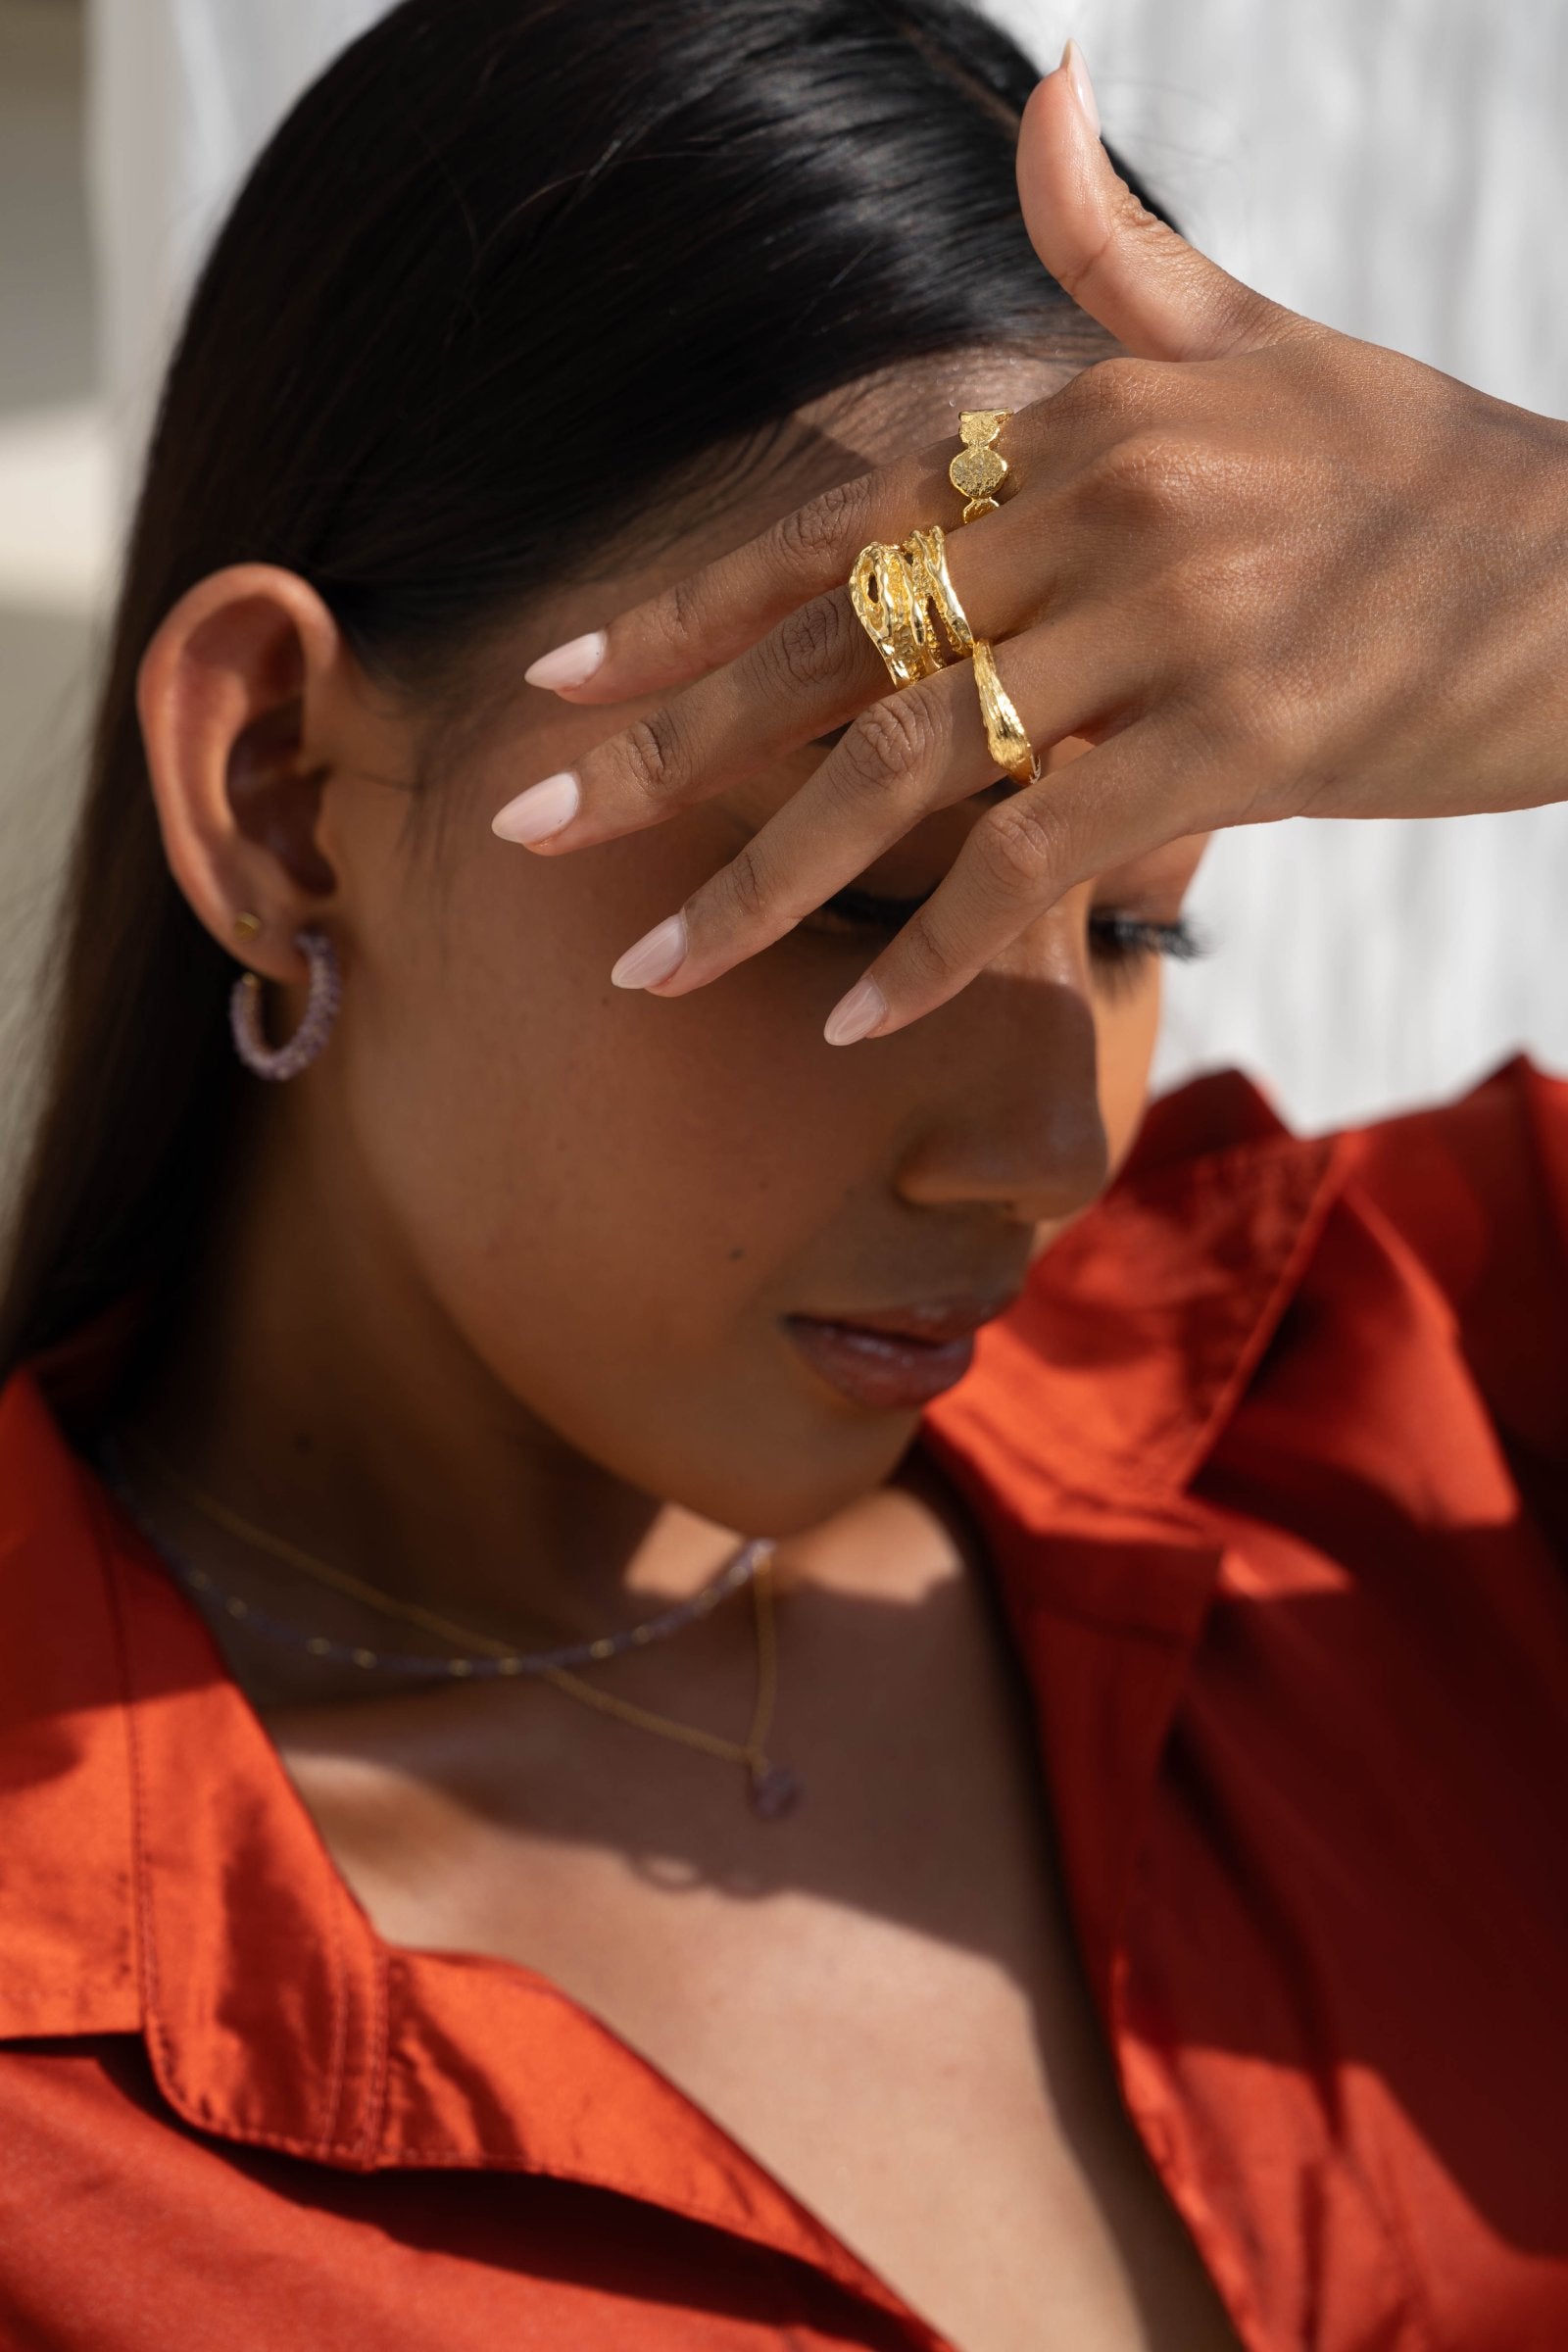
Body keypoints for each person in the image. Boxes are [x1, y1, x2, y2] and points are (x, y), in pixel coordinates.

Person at [0, 3, 1562, 2348]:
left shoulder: (1427, 1420)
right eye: (855, 897)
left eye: (1136, 931)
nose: (1049, 1151)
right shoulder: (59, 2082)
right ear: (282, 796)